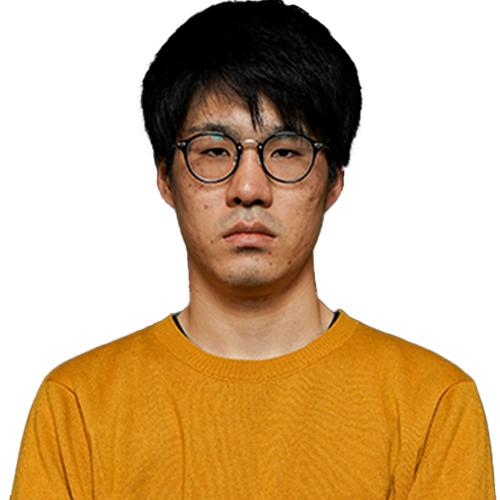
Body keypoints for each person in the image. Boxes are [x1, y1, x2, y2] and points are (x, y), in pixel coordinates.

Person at [11, 0, 495, 497]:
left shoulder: (432, 404)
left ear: (334, 180)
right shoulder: (77, 406)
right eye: (214, 151)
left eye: (284, 151)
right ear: (165, 179)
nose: (248, 188)